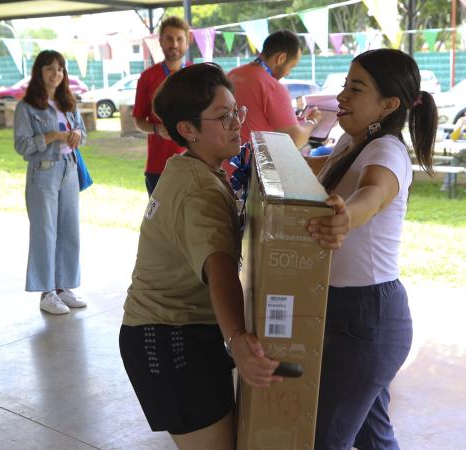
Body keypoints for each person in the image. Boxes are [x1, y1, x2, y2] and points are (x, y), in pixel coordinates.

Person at [119, 63, 281, 450]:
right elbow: (219, 266)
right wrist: (237, 338)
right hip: (167, 337)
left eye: (236, 112)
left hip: (180, 331)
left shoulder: (193, 168)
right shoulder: (199, 189)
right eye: (223, 117)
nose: (236, 124)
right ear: (188, 130)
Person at [305, 48, 437, 450]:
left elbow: (373, 194)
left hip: (368, 320)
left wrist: (347, 217)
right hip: (352, 315)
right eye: (345, 85)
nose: (343, 95)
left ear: (389, 104)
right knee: (373, 438)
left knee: (325, 440)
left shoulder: (387, 152)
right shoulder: (351, 141)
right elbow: (314, 168)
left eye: (356, 88)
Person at [13, 50, 87, 315]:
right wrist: (52, 135)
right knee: (45, 231)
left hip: (69, 170)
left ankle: (63, 286)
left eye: (60, 69)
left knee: (69, 230)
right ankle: (46, 293)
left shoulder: (68, 102)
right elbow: (22, 146)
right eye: (50, 68)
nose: (56, 73)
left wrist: (77, 133)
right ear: (39, 72)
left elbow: (83, 134)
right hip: (43, 173)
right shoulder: (26, 107)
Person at [228, 30, 322, 149]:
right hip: (253, 164)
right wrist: (312, 122)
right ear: (281, 58)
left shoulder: (232, 74)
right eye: (291, 67)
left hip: (225, 162)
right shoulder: (272, 86)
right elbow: (296, 141)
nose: (288, 73)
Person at [133, 16, 190, 195]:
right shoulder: (148, 77)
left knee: (190, 221)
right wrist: (157, 129)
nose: (174, 44)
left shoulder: (197, 75)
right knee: (160, 222)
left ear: (187, 42)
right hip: (159, 167)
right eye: (169, 38)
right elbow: (139, 120)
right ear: (161, 42)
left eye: (179, 39)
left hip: (194, 164)